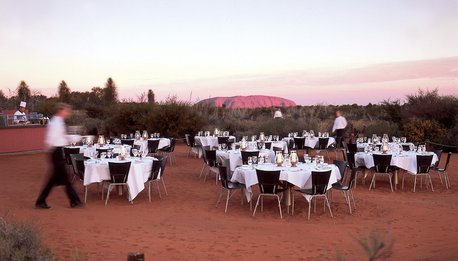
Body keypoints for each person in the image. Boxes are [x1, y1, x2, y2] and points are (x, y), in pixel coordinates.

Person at [35, 103, 83, 209]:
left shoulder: (58, 122)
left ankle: (41, 201)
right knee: (65, 178)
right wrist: (52, 151)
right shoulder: (56, 123)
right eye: (66, 111)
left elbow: (61, 137)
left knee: (54, 179)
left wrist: (73, 138)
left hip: (57, 151)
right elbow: (51, 139)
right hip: (55, 151)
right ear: (61, 110)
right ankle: (75, 201)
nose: (68, 113)